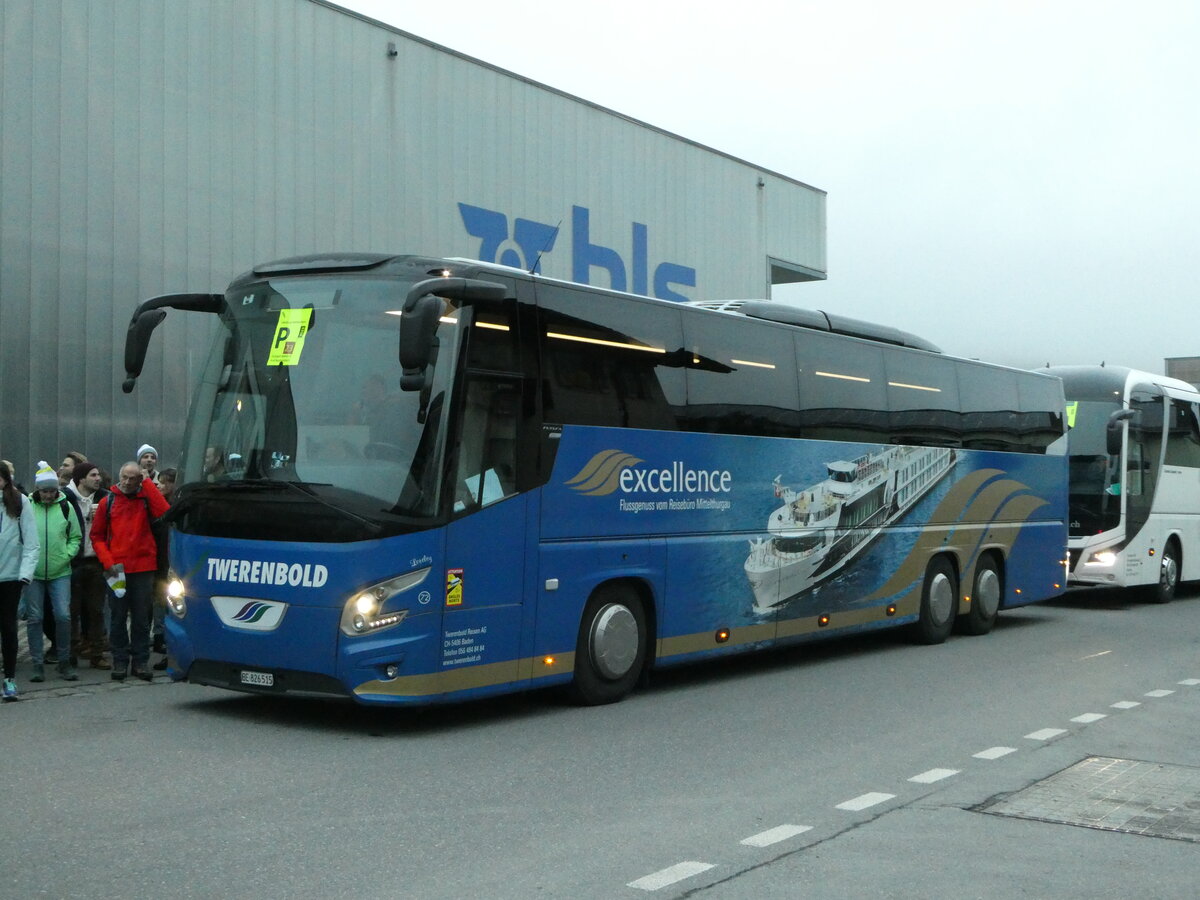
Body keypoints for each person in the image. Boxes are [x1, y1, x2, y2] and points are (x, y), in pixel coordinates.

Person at [91, 461, 169, 681]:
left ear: (139, 481)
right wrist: (108, 562)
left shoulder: (146, 500)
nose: (126, 482)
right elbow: (96, 537)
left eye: (132, 479)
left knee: (142, 619)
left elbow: (165, 512)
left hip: (143, 568)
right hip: (116, 569)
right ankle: (120, 660)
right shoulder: (108, 502)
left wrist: (148, 484)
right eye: (124, 477)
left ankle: (141, 661)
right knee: (117, 618)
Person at [25, 461, 82, 682]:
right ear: (38, 490)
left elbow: (76, 535)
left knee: (63, 615)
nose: (48, 495)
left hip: (61, 571)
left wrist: (67, 555)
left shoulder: (65, 506)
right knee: (34, 618)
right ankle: (37, 664)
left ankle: (64, 661)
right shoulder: (27, 506)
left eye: (52, 490)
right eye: (44, 491)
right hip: (33, 572)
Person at [66, 461, 111, 669]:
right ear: (81, 478)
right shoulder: (65, 498)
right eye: (93, 475)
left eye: (98, 475)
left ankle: (97, 653)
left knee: (97, 610)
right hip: (73, 562)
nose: (97, 478)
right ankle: (70, 653)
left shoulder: (105, 497)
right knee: (71, 611)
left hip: (96, 560)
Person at [0, 462, 39, 701]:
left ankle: (10, 679)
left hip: (11, 577)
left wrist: (25, 574)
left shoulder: (19, 501)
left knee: (8, 628)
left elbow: (32, 542)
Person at [150, 468, 175, 668]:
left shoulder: (173, 506)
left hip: (172, 565)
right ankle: (160, 638)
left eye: (165, 482)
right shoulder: (155, 507)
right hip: (160, 564)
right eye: (158, 482)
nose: (160, 485)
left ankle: (171, 650)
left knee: (172, 608)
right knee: (160, 604)